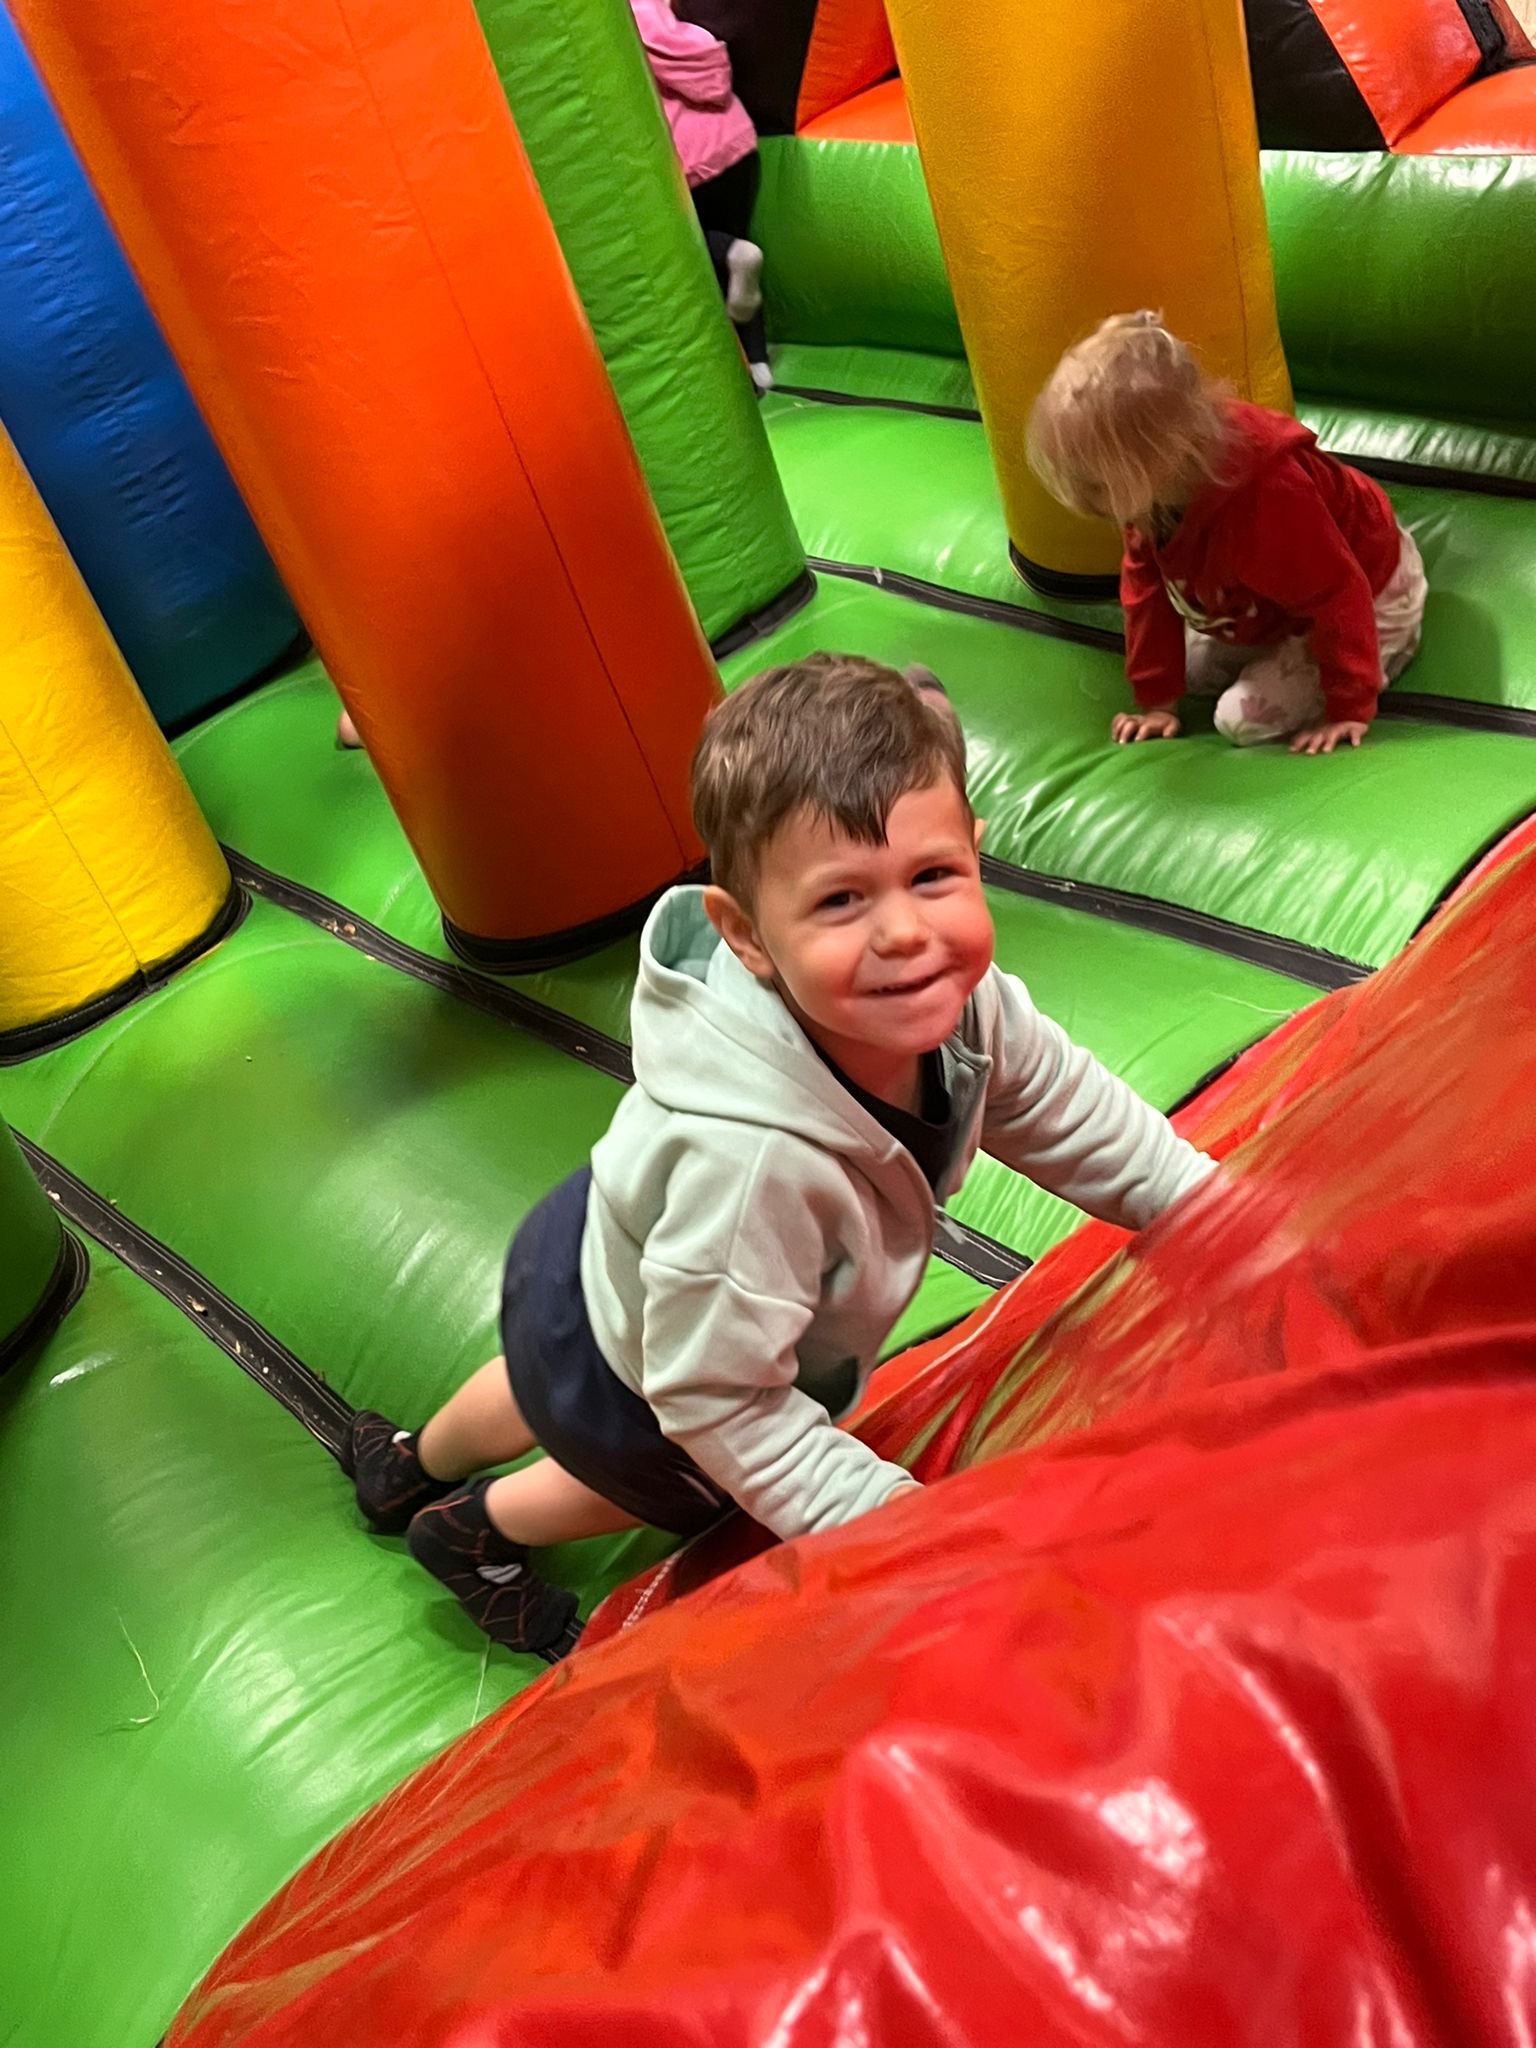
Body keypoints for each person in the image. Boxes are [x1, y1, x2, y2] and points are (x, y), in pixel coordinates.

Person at [344, 654, 1218, 1656]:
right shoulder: (755, 1165)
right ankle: (477, 1530)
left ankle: (409, 1461)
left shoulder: (959, 1003)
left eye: (933, 876)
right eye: (841, 900)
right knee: (635, 1470)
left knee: (537, 1376)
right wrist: (910, 1529)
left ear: (974, 854)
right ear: (746, 934)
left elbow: (1065, 1109)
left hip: (595, 1253)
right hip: (675, 1354)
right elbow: (716, 1402)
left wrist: (1206, 1204)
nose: (905, 931)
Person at [1028, 312, 1428, 756]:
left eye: (1099, 485)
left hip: (1371, 590)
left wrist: (1349, 706)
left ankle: (1386, 646)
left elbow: (1340, 593)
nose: (1088, 503)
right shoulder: (1155, 491)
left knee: (1240, 719)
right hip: (1277, 598)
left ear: (1166, 454)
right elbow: (1146, 591)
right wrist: (1157, 702)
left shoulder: (1265, 499)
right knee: (1193, 676)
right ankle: (1275, 644)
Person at [630, 0, 772, 390]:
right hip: (734, 139)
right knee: (741, 253)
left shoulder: (623, 17)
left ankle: (731, 253)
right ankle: (759, 363)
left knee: (690, 247)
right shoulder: (666, 14)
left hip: (688, 158)